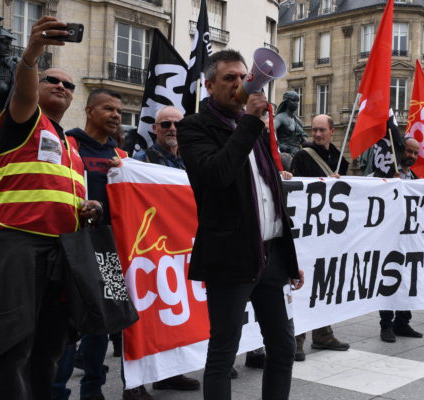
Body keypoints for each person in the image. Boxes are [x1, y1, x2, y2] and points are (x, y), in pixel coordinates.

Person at [0, 17, 101, 399]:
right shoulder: (22, 122)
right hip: (19, 246)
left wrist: (86, 206)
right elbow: (23, 93)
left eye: (69, 85)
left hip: (62, 250)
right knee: (14, 345)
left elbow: (56, 194)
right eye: (53, 80)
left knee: (51, 345)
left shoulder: (71, 147)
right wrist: (31, 56)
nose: (62, 87)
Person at [176, 49, 304, 400]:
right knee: (223, 352)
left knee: (282, 347)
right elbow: (217, 174)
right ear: (209, 84)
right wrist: (250, 122)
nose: (239, 84)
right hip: (230, 257)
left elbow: (271, 196)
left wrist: (289, 260)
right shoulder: (194, 127)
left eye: (242, 77)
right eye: (229, 78)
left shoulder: (255, 130)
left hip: (272, 255)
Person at [52, 88, 126, 400]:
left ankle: (92, 389)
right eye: (109, 109)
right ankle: (56, 390)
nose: (116, 116)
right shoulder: (67, 145)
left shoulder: (121, 157)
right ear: (89, 110)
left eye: (119, 112)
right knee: (67, 325)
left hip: (110, 251)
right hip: (73, 246)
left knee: (103, 321)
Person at [130, 104, 204, 397]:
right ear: (154, 129)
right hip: (147, 252)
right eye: (165, 125)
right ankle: (133, 385)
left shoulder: (188, 162)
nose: (173, 129)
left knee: (173, 315)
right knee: (142, 316)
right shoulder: (141, 161)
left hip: (179, 251)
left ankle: (168, 374)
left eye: (177, 124)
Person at [289, 114, 350, 361]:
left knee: (326, 284)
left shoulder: (339, 158)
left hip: (330, 231)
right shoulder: (303, 156)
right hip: (308, 231)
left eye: (321, 130)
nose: (316, 134)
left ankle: (324, 333)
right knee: (304, 286)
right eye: (313, 130)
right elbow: (299, 189)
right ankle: (296, 340)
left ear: (332, 131)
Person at [378, 137, 424, 342]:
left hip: (410, 239)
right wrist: (387, 184)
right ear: (400, 150)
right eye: (408, 151)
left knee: (408, 280)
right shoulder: (384, 173)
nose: (412, 156)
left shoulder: (413, 177)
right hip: (389, 239)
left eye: (415, 153)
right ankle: (386, 325)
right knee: (389, 279)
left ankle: (403, 322)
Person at [273, 91, 306, 155]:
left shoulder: (298, 121)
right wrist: (279, 145)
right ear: (286, 101)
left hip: (297, 153)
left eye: (297, 101)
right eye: (293, 100)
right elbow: (271, 131)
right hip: (285, 154)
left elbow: (303, 139)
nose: (296, 103)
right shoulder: (280, 117)